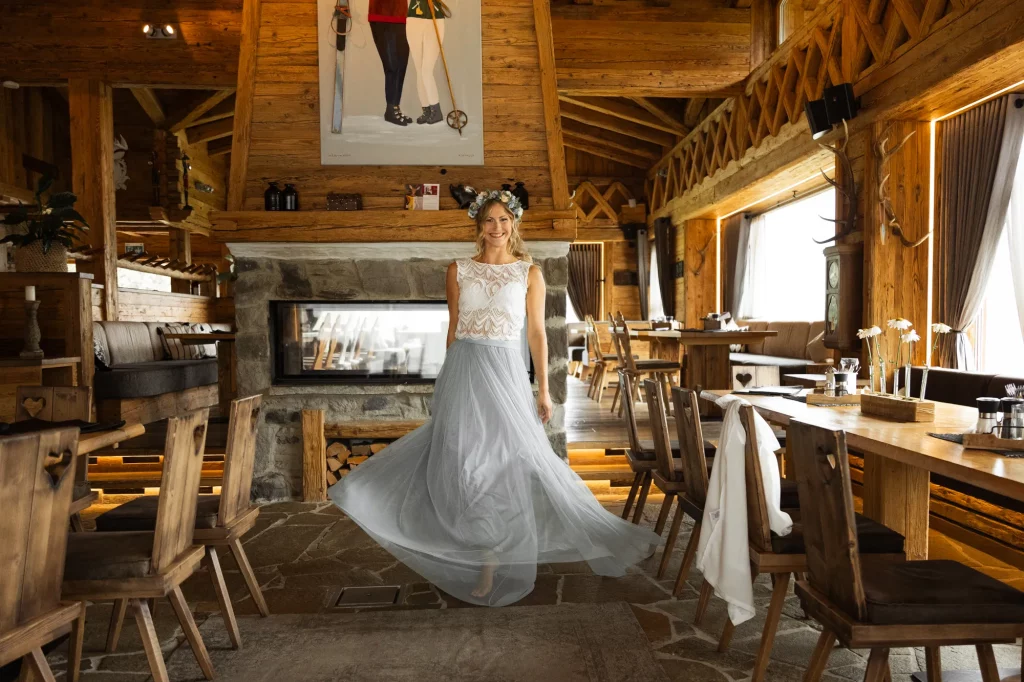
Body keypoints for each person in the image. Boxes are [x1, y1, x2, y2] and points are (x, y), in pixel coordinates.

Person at [330, 190, 661, 606]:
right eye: (489, 220)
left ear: (514, 223)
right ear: (478, 226)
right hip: (464, 370)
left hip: (504, 373)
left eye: (504, 219)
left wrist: (544, 390)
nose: (497, 227)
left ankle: (493, 556)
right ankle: (477, 545)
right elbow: (453, 329)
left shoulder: (529, 272)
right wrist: (444, 381)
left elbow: (538, 334)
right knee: (463, 462)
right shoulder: (458, 270)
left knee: (504, 464)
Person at [367, 0, 413, 126]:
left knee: (401, 64)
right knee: (392, 65)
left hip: (402, 16)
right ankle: (391, 109)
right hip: (381, 16)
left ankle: (395, 108)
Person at [406, 0, 450, 125]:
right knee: (420, 70)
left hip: (435, 18)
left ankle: (436, 109)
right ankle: (427, 110)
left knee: (426, 70)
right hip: (414, 18)